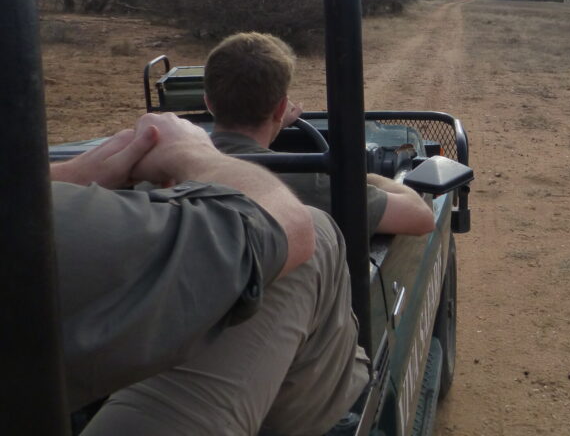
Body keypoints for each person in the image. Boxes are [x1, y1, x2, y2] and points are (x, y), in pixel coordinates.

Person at [51, 112, 368, 435]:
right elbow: (286, 227)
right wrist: (193, 155)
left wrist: (64, 176)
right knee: (313, 230)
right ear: (281, 106)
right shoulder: (315, 180)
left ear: (208, 101)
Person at [203, 32, 434, 237]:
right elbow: (420, 216)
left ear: (209, 103)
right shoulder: (300, 182)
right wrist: (354, 177)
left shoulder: (175, 169)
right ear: (282, 108)